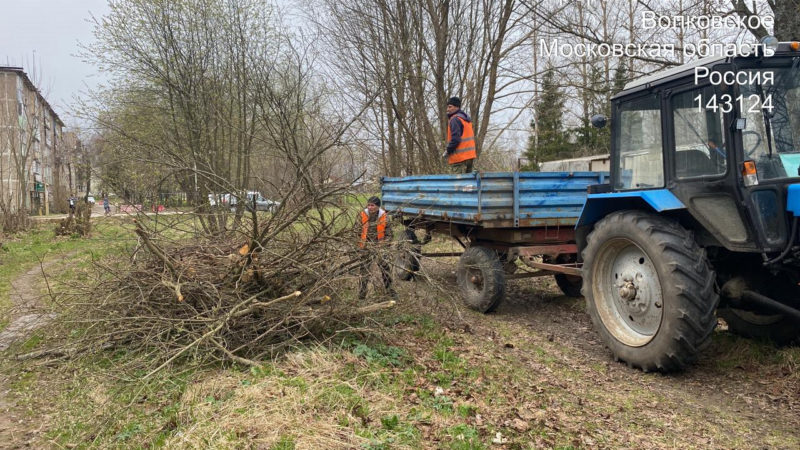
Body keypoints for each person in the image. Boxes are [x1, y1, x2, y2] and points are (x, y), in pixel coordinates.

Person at [355, 196, 396, 299]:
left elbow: (389, 234)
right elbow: (355, 232)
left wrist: (383, 244)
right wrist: (359, 244)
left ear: (378, 206)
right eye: (368, 205)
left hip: (380, 247)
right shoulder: (362, 215)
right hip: (365, 247)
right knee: (364, 271)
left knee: (385, 269)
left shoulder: (384, 216)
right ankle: (361, 295)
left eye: (372, 205)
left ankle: (390, 291)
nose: (370, 207)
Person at [443, 96, 476, 173]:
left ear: (456, 107)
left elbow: (456, 139)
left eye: (450, 107)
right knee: (469, 184)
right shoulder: (466, 119)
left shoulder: (455, 119)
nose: (447, 109)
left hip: (459, 158)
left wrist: (448, 151)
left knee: (458, 184)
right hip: (470, 157)